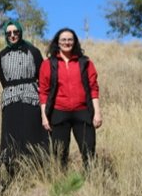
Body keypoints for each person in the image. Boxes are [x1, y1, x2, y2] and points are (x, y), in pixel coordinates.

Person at [39, 28, 102, 167]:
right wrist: (44, 116)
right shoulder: (48, 64)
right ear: (57, 42)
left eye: (70, 40)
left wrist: (97, 112)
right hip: (59, 112)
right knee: (59, 154)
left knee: (89, 151)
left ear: (75, 42)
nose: (67, 42)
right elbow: (43, 92)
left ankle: (92, 183)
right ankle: (63, 184)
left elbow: (93, 88)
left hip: (83, 112)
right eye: (63, 40)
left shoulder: (85, 63)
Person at [0, 20, 47, 165]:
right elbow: (3, 80)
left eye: (16, 32)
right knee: (12, 137)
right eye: (9, 33)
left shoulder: (33, 51)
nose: (13, 35)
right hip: (10, 99)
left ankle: (35, 167)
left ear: (20, 32)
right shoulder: (1, 55)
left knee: (31, 134)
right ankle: (12, 167)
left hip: (30, 98)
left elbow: (43, 75)